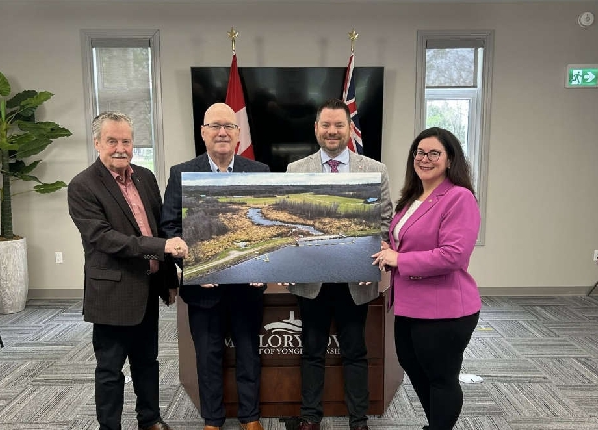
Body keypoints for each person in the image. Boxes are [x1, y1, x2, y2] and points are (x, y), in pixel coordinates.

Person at [68, 112, 188, 430]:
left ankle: (150, 420)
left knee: (147, 362)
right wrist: (162, 247)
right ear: (97, 143)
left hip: (147, 289)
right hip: (112, 294)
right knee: (110, 370)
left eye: (126, 141)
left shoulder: (145, 177)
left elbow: (159, 229)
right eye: (112, 141)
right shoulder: (82, 185)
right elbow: (104, 238)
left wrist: (168, 279)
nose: (120, 148)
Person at [161, 103, 270, 430]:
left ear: (238, 134)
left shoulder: (259, 171)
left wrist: (263, 264)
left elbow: (267, 224)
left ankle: (250, 417)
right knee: (208, 357)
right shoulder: (182, 173)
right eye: (215, 126)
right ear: (203, 132)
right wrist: (195, 263)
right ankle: (213, 420)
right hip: (203, 288)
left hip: (247, 286)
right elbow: (170, 227)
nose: (222, 132)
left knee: (248, 354)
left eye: (229, 126)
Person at [286, 99, 392, 430]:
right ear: (316, 128)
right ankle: (310, 417)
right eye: (326, 125)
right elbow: (289, 222)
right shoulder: (295, 170)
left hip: (355, 279)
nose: (332, 131)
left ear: (349, 129)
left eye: (339, 125)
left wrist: (369, 260)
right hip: (311, 280)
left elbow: (384, 221)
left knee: (355, 351)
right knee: (312, 351)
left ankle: (358, 421)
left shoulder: (374, 169)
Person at [372, 127, 481, 430]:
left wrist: (399, 259)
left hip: (444, 308)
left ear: (450, 160)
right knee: (413, 366)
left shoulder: (459, 198)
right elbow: (406, 243)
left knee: (441, 378)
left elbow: (453, 255)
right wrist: (388, 251)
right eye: (420, 152)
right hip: (408, 305)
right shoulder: (413, 197)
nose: (425, 158)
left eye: (434, 153)